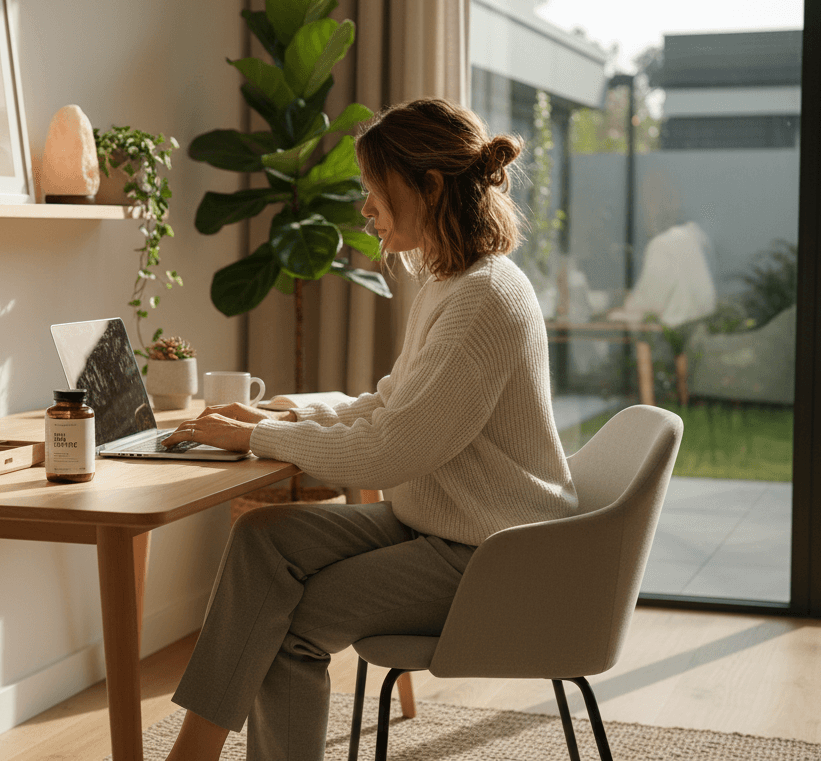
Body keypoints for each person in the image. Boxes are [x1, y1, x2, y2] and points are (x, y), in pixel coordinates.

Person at [159, 98, 578, 761]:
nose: (364, 209)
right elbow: (390, 406)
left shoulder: (482, 300)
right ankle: (196, 749)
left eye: (373, 191)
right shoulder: (455, 283)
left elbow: (389, 451)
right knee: (263, 537)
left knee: (289, 622)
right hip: (445, 525)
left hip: (493, 559)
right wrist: (279, 417)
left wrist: (259, 439)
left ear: (428, 188)